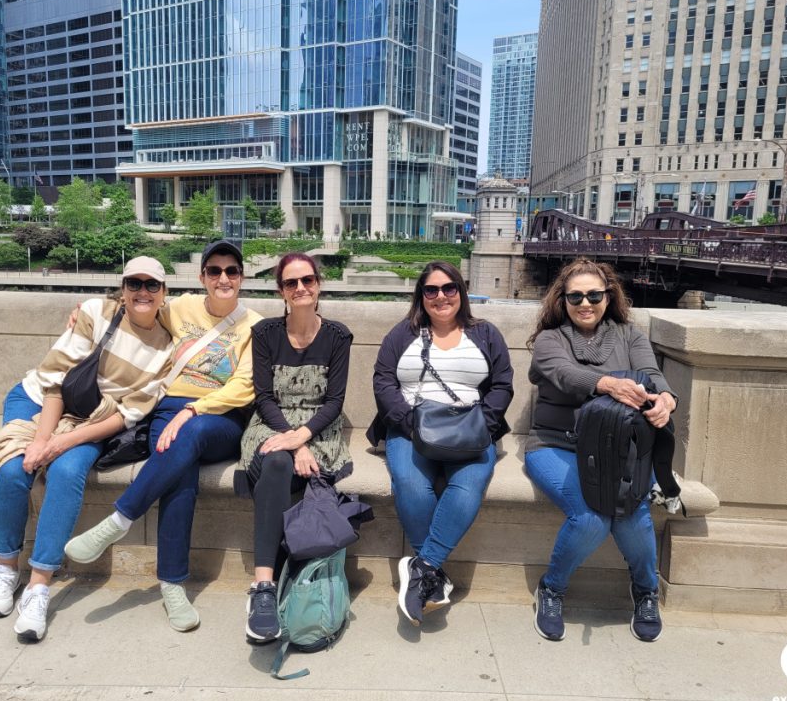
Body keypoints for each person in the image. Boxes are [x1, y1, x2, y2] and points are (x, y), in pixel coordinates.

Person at [64, 241, 261, 631]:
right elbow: (140, 304)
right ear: (203, 277)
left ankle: (119, 520)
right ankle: (172, 585)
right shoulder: (181, 307)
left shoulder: (255, 325)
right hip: (167, 408)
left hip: (218, 418)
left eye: (232, 271)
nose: (223, 278)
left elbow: (244, 386)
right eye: (215, 271)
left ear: (241, 278)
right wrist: (89, 308)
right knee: (179, 476)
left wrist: (194, 410)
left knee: (191, 433)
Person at [0, 256, 174, 642]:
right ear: (122, 289)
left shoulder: (167, 348)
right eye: (134, 284)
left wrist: (62, 443)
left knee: (67, 471)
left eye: (152, 285)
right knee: (14, 468)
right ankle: (5, 568)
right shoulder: (95, 313)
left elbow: (128, 414)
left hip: (94, 419)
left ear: (164, 293)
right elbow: (54, 381)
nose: (143, 292)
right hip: (39, 400)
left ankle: (39, 585)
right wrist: (41, 442)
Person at [524, 258, 678, 643]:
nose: (585, 303)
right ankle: (552, 588)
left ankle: (645, 591)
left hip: (619, 450)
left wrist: (666, 400)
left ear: (609, 297)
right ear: (562, 300)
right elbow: (565, 374)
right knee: (590, 517)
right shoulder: (550, 340)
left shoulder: (629, 336)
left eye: (594, 295)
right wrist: (609, 384)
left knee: (631, 513)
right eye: (575, 296)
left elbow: (653, 375)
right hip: (556, 444)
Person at [367, 261, 514, 626]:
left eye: (449, 288)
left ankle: (424, 567)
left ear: (461, 292)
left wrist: (484, 424)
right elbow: (383, 380)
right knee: (410, 484)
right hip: (412, 427)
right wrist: (409, 424)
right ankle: (431, 575)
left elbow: (502, 384)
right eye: (431, 290)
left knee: (468, 486)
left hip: (471, 428)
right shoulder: (403, 333)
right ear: (421, 297)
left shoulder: (485, 333)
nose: (441, 296)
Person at [235, 253, 353, 643]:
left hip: (319, 429)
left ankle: (265, 586)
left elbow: (334, 401)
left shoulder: (337, 336)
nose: (300, 288)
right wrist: (292, 440)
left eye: (307, 280)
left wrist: (302, 438)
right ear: (281, 291)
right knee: (277, 463)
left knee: (281, 464)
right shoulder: (266, 333)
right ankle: (264, 587)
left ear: (318, 284)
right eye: (291, 283)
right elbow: (264, 397)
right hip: (272, 424)